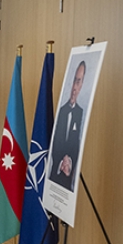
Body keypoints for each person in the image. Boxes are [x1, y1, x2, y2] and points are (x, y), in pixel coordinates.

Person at [49, 61, 86, 191]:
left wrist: (69, 161)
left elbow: (76, 144)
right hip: (55, 175)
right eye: (74, 81)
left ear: (82, 85)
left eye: (78, 82)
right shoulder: (61, 111)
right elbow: (55, 142)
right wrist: (61, 162)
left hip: (68, 179)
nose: (74, 87)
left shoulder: (80, 113)